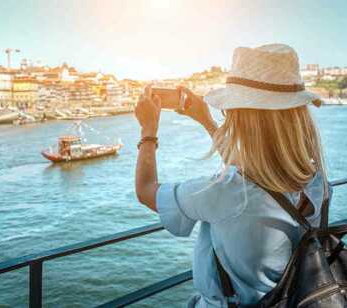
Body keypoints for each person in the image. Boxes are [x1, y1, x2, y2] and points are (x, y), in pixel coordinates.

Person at [134, 44, 329, 307]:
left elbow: (146, 191)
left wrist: (148, 130)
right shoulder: (318, 182)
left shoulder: (227, 192)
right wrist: (205, 119)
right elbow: (256, 174)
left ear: (242, 119)